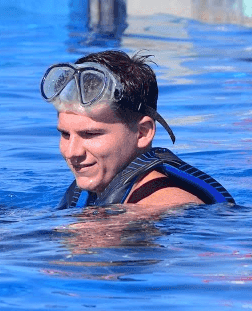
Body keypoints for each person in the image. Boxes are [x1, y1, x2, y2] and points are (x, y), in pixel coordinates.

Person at [42, 49, 234, 209]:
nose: (72, 152)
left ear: (142, 133)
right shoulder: (94, 191)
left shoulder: (164, 206)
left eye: (91, 134)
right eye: (65, 134)